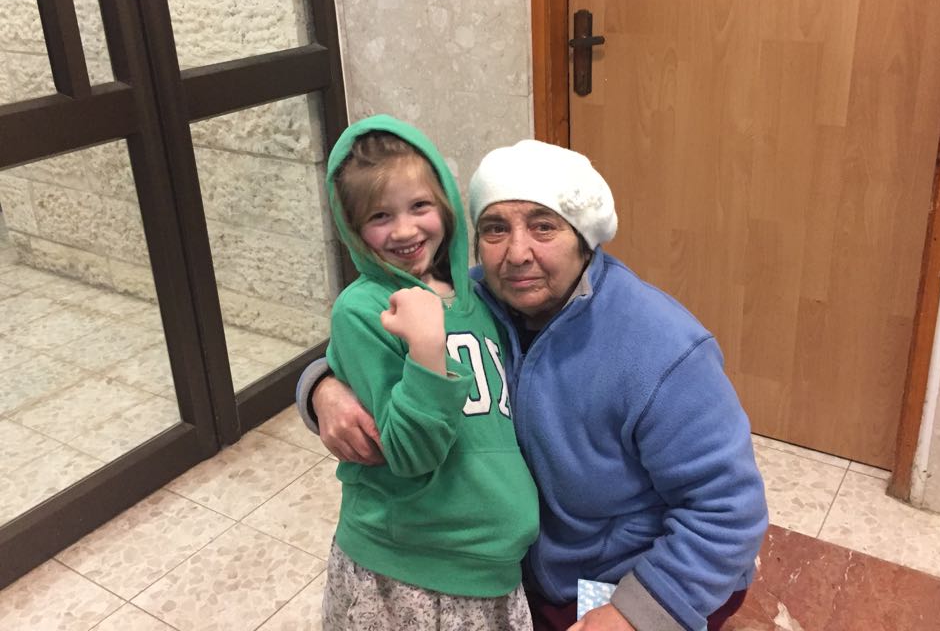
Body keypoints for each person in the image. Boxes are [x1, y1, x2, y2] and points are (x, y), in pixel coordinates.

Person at [298, 138, 768, 631]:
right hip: (513, 569)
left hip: (636, 577)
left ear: (584, 238)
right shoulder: (474, 301)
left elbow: (728, 510)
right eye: (495, 229)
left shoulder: (663, 348)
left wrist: (636, 613)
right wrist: (321, 387)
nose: (517, 253)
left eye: (544, 226)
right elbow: (372, 344)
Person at [312, 115, 538, 630]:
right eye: (379, 215)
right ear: (352, 228)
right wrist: (426, 350)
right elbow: (410, 454)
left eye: (419, 206)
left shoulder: (478, 298)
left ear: (446, 205)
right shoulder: (365, 310)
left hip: (492, 565)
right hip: (409, 569)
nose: (405, 230)